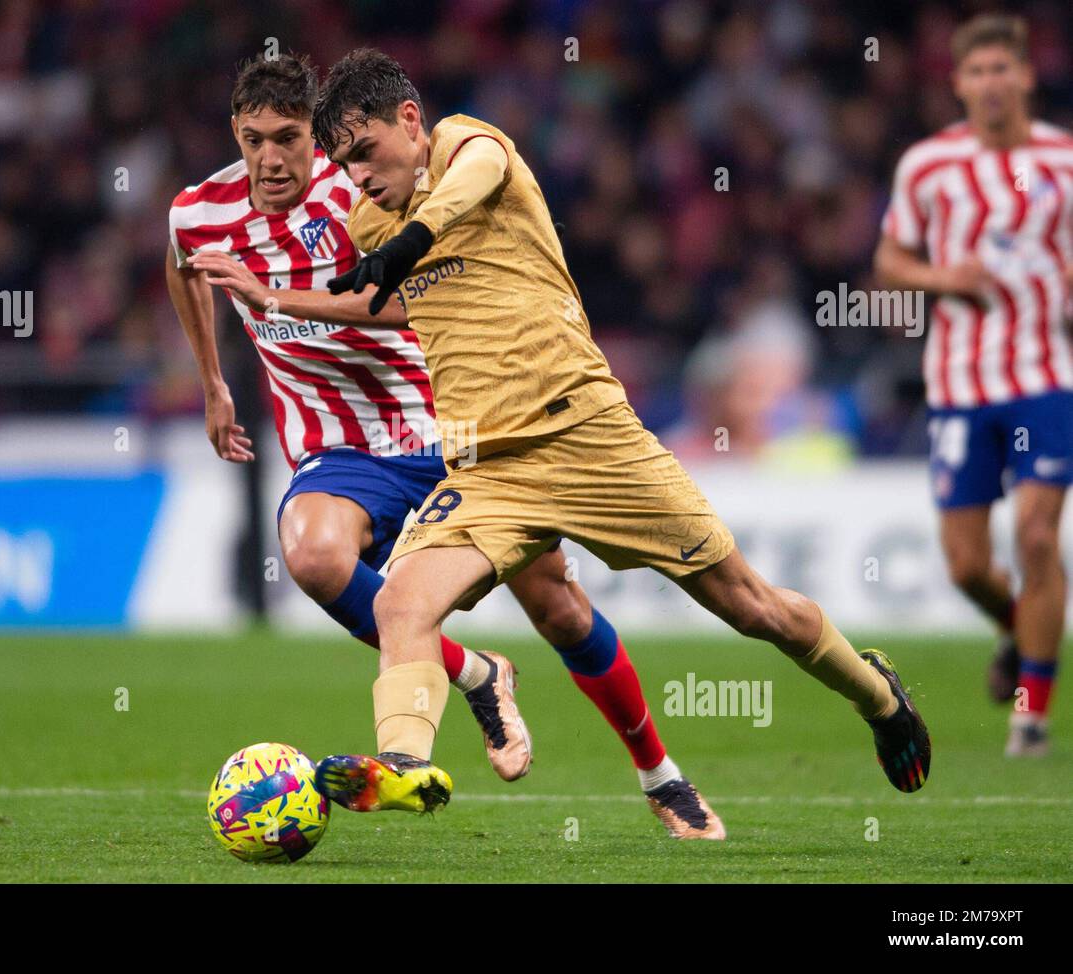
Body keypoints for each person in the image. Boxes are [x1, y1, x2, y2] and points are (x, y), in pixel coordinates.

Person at [306, 48, 930, 817]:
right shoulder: (370, 218)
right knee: (402, 601)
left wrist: (411, 240)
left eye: (365, 153)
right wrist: (278, 298)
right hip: (488, 467)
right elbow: (388, 304)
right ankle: (403, 763)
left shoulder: (473, 145)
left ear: (409, 120)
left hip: (591, 439)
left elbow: (466, 183)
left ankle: (878, 697)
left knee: (753, 608)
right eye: (343, 164)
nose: (358, 176)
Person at [168, 53, 724, 838]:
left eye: (289, 138)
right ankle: (477, 674)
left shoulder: (360, 194)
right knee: (312, 553)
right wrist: (213, 381)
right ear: (235, 132)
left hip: (446, 424)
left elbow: (418, 299)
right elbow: (183, 266)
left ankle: (661, 774)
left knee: (558, 608)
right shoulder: (200, 210)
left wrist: (305, 302)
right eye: (254, 138)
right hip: (342, 450)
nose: (271, 158)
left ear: (317, 141)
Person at [875, 14, 1073, 757]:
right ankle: (1015, 625)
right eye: (977, 72)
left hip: (1048, 376)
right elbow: (890, 260)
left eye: (1003, 69)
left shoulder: (1064, 158)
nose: (991, 83)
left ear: (1025, 75)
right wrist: (939, 277)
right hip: (960, 382)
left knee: (1035, 536)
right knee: (963, 563)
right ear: (958, 84)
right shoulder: (928, 165)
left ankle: (1031, 716)